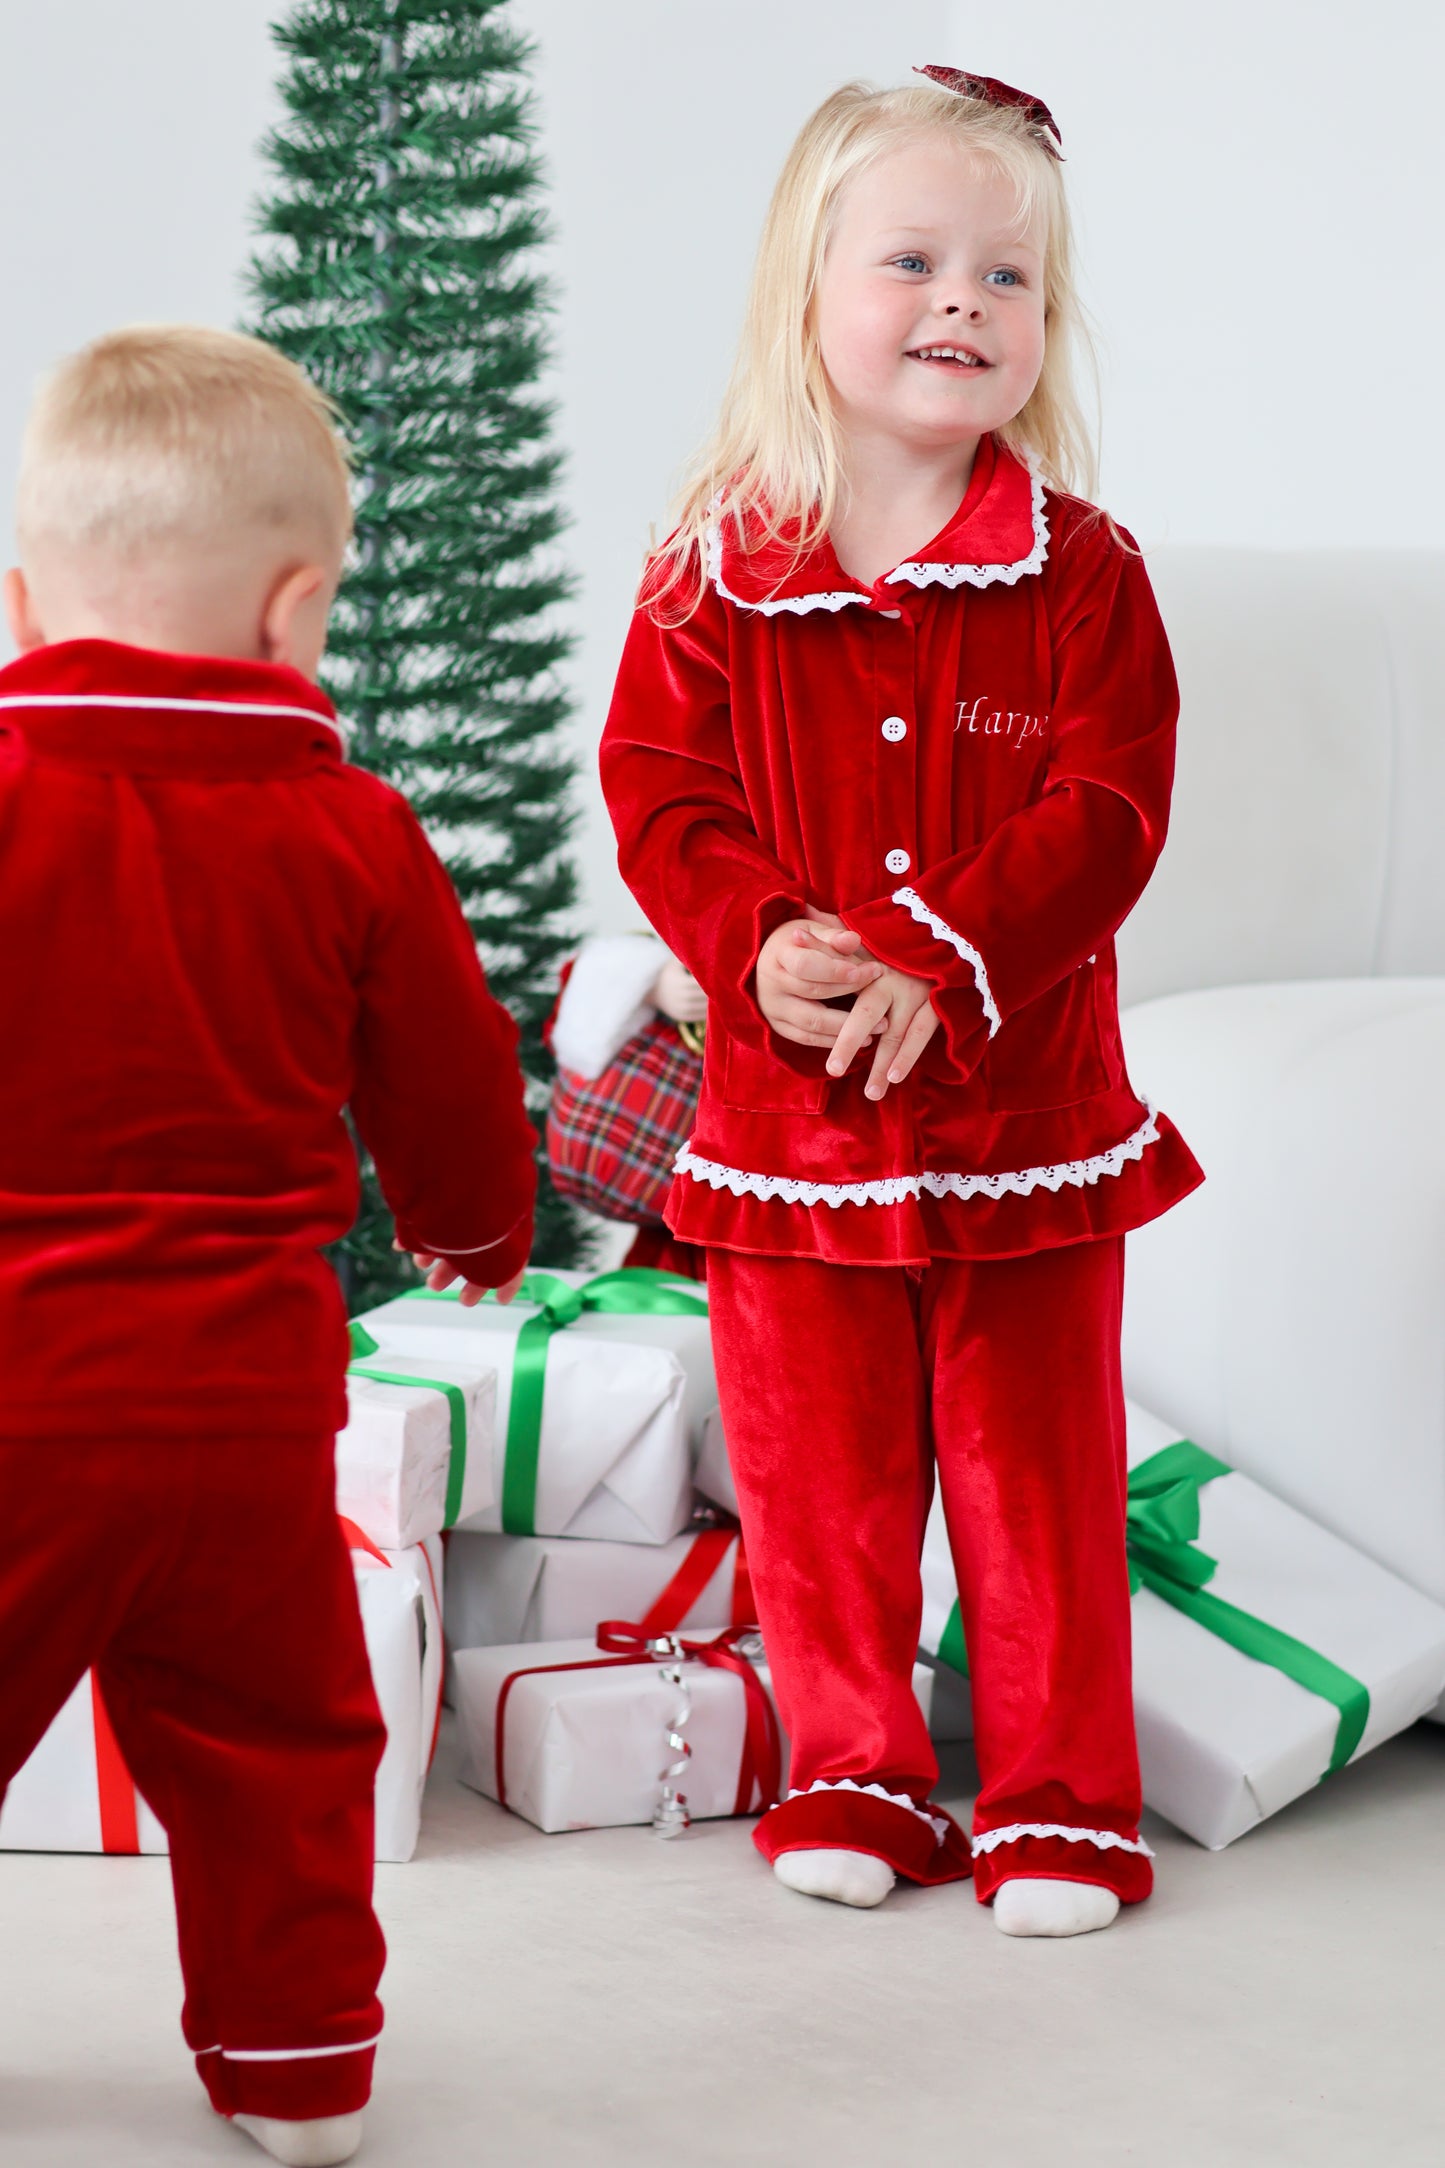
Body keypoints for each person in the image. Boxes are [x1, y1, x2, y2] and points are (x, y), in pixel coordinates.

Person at [601, 69, 1203, 1936]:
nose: (965, 302)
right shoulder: (707, 577)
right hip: (789, 1129)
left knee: (1031, 1479)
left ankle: (1054, 1799)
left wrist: (952, 963)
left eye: (1007, 276)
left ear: (1045, 321)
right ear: (808, 295)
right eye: (916, 262)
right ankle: (854, 1761)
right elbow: (658, 790)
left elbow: (1105, 810)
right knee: (817, 1485)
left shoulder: (1086, 577)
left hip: (1024, 1123)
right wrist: (755, 937)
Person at [0, 326, 536, 2164]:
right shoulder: (353, 830)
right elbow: (455, 1083)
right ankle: (298, 2070)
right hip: (239, 1422)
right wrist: (476, 1229)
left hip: (12, 1414)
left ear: (18, 602)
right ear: (295, 609)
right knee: (279, 1755)